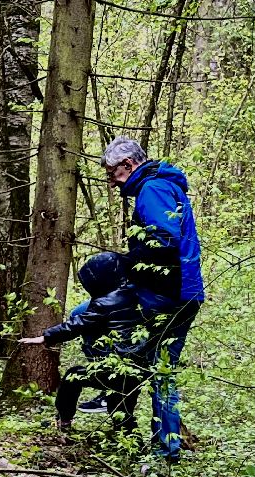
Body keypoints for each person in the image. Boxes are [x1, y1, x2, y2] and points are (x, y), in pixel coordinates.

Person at [97, 135, 205, 459]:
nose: (112, 182)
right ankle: (166, 446)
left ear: (129, 165)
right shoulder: (160, 186)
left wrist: (126, 263)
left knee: (132, 353)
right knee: (161, 369)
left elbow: (163, 240)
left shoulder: (153, 189)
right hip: (181, 293)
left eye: (113, 173)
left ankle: (156, 442)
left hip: (170, 296)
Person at [20, 252, 152, 433]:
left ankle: (63, 422)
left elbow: (78, 324)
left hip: (116, 369)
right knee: (121, 409)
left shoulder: (105, 303)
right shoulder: (139, 295)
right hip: (138, 369)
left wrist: (46, 336)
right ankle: (132, 447)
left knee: (72, 377)